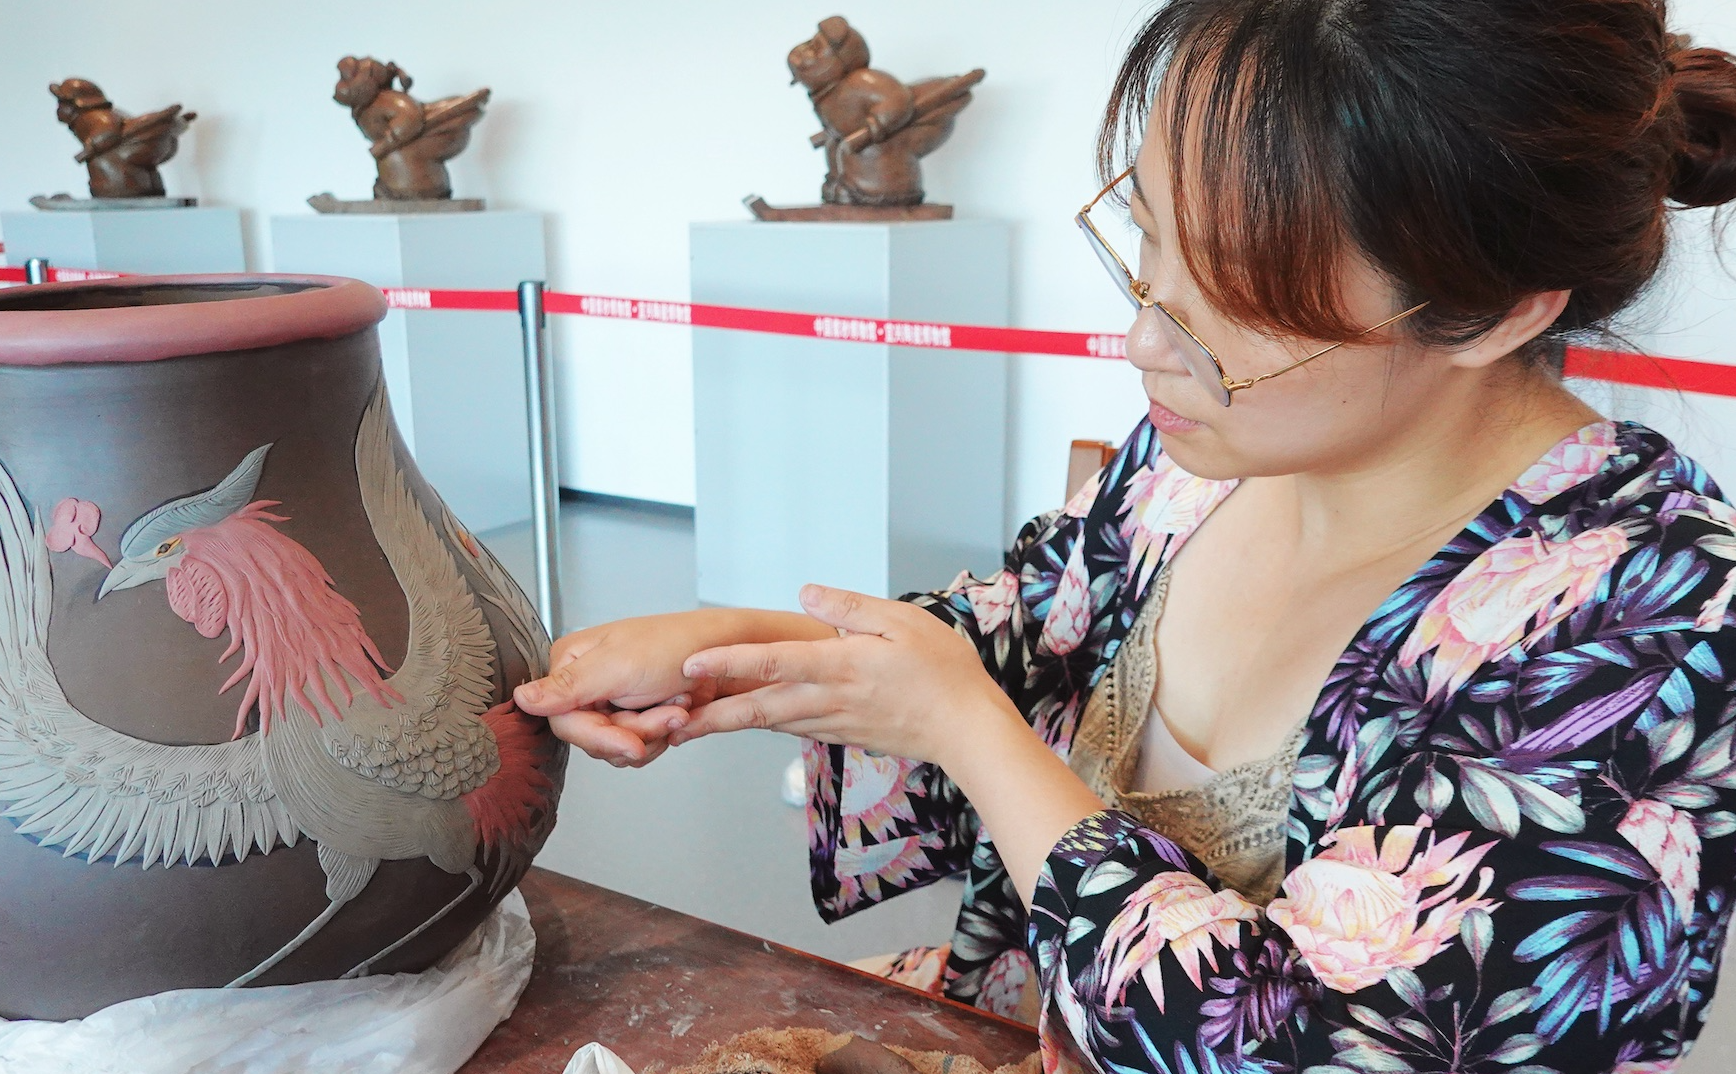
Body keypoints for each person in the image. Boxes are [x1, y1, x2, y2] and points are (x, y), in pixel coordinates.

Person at [514, 1, 1736, 1069]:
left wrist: (967, 734)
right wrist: (733, 651)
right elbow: (1026, 632)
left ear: (1491, 313)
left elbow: (1323, 1049)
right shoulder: (1204, 451)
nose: (1146, 339)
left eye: (1241, 299)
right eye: (1148, 238)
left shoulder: (1653, 621)